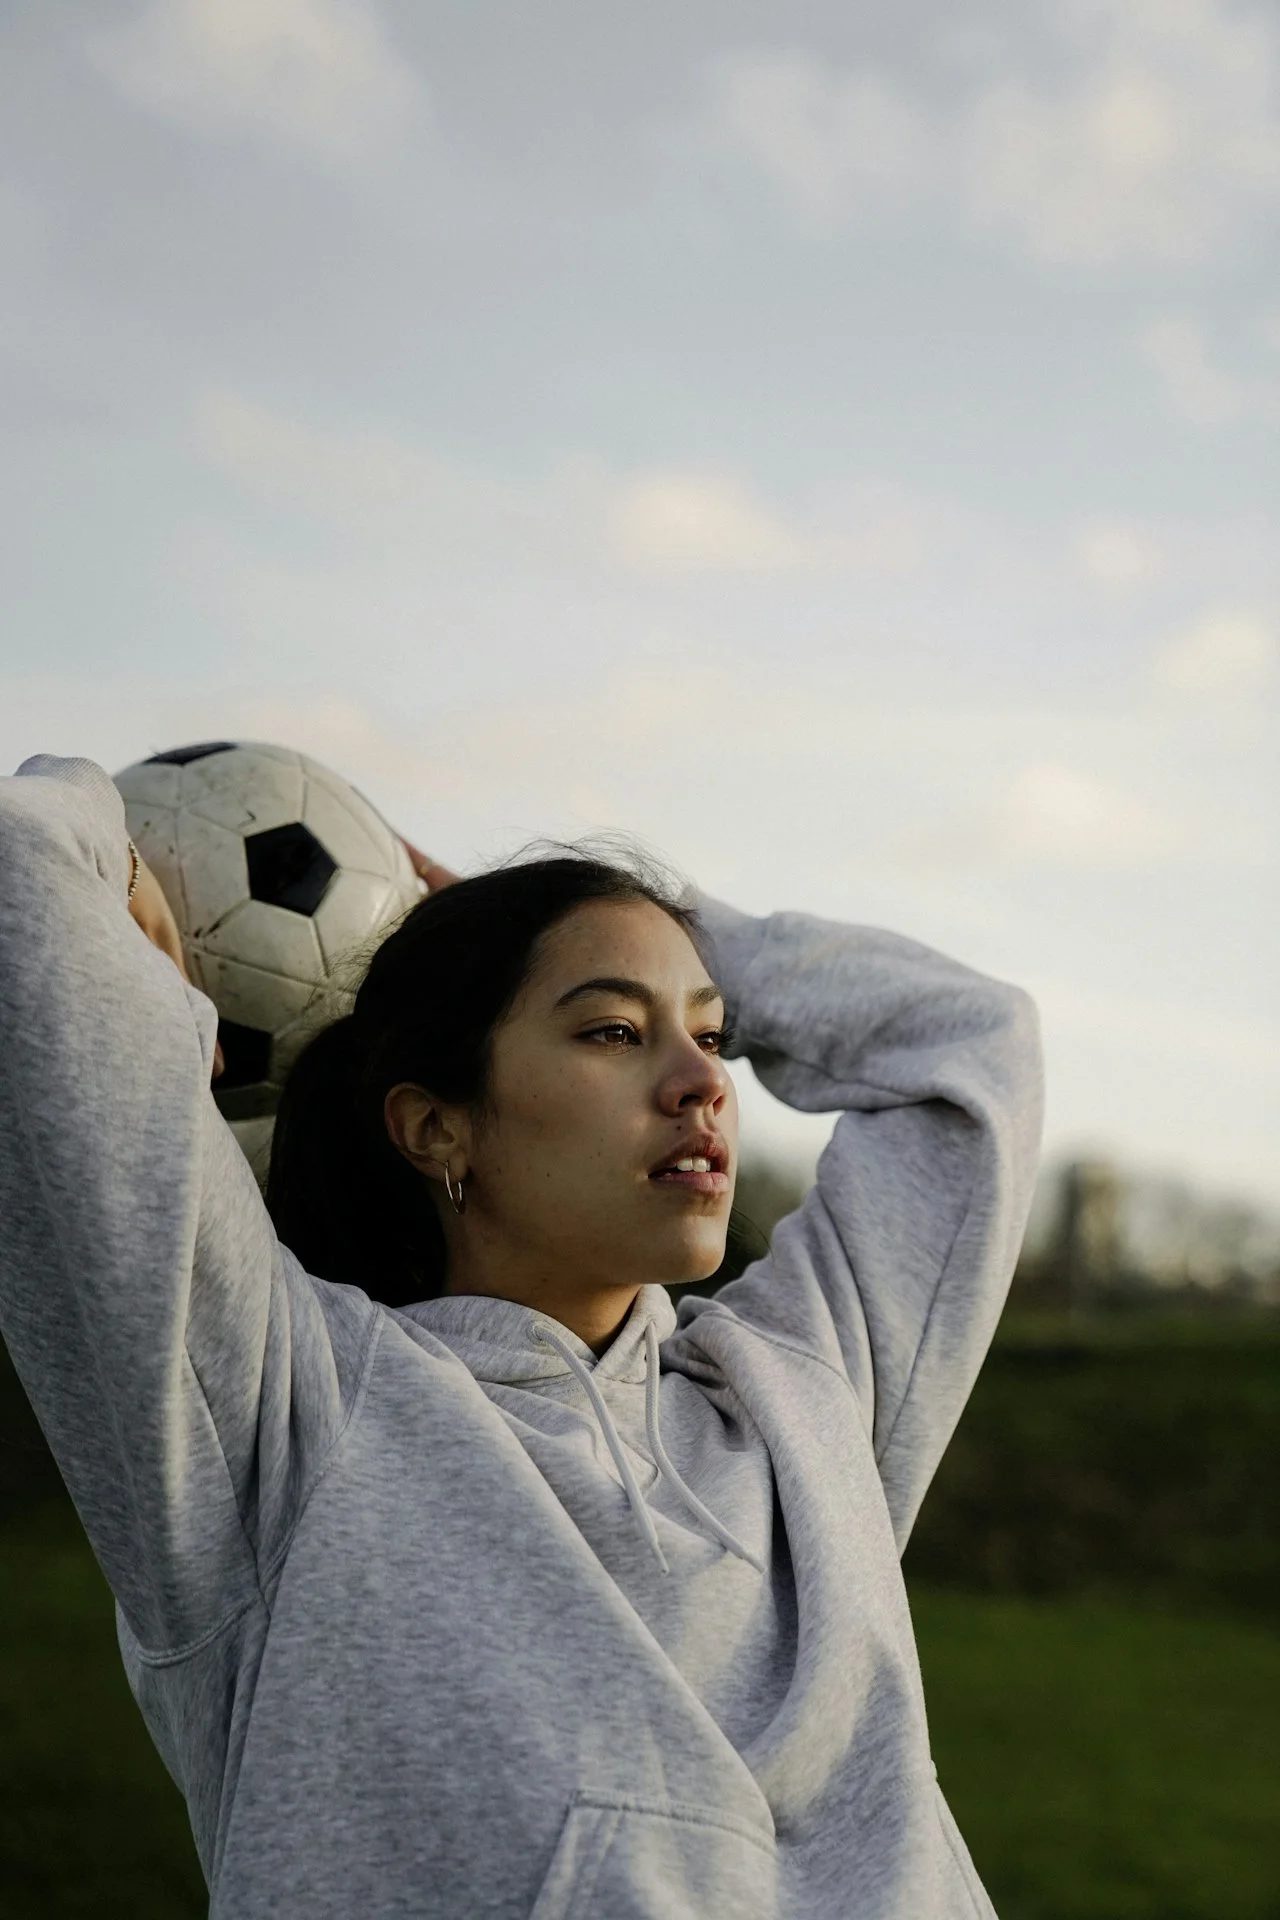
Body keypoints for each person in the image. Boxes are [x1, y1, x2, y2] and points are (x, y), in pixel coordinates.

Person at [0, 752, 1042, 1919]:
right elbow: (19, 876)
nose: (702, 1080)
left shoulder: (801, 1395)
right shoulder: (281, 1418)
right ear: (438, 1129)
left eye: (709, 1031)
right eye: (610, 1033)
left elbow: (969, 1047)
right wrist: (119, 856)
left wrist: (665, 936)